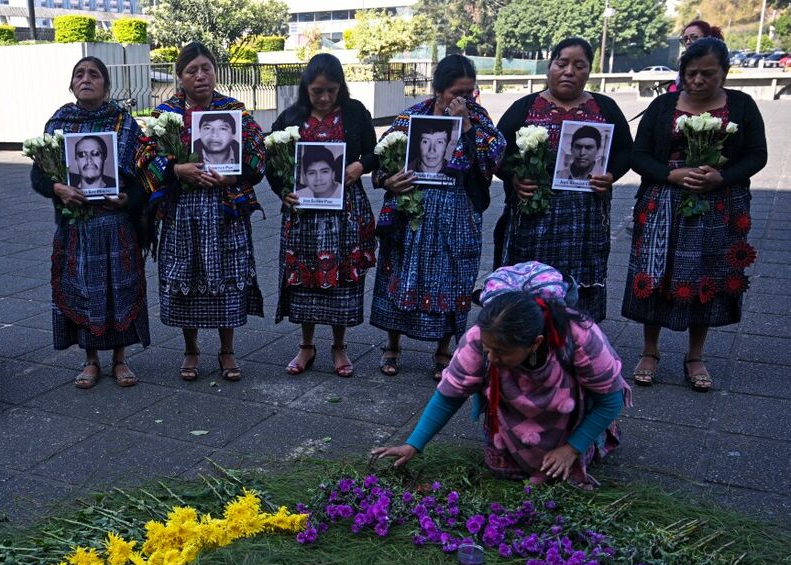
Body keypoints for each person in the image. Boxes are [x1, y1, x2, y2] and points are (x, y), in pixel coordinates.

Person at [371, 262, 630, 490]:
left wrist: (572, 447)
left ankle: (583, 441)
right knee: (505, 470)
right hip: (511, 418)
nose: (492, 358)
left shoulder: (580, 337)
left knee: (559, 474)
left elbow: (610, 400)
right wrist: (413, 444)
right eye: (488, 350)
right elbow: (449, 395)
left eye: (503, 353)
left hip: (567, 414)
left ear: (536, 342)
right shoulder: (479, 337)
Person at [622, 39, 766, 392]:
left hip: (719, 206)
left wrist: (723, 176)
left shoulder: (742, 106)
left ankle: (694, 355)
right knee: (654, 274)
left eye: (708, 73)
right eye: (691, 73)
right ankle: (650, 351)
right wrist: (670, 174)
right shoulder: (663, 106)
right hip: (663, 203)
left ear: (725, 73)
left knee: (707, 276)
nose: (698, 80)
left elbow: (756, 155)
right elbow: (637, 155)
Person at [136, 42, 265, 382]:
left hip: (225, 211)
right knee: (185, 278)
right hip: (181, 213)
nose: (200, 76)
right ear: (180, 77)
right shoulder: (164, 115)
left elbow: (257, 156)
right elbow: (143, 158)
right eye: (191, 70)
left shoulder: (235, 112)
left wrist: (233, 174)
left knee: (227, 276)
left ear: (215, 71)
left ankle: (227, 351)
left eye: (206, 68)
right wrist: (177, 170)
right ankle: (191, 350)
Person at [371, 54, 506, 381]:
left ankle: (443, 351)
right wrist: (387, 180)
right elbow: (381, 160)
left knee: (452, 277)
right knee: (399, 273)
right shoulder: (412, 117)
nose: (462, 100)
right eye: (455, 93)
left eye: (469, 93)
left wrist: (468, 125)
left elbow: (494, 159)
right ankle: (392, 346)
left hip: (456, 215)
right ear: (438, 90)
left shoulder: (476, 117)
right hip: (411, 216)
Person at [494, 37, 632, 323]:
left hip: (585, 218)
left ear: (588, 72)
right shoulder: (525, 107)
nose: (569, 71)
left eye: (579, 65)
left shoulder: (604, 107)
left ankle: (578, 348)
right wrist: (514, 176)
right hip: (534, 217)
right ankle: (526, 341)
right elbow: (496, 150)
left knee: (580, 283)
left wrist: (610, 176)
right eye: (562, 63)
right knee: (530, 282)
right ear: (549, 67)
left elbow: (626, 151)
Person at [31, 57, 148, 389]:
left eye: (94, 75)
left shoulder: (125, 124)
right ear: (71, 85)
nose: (86, 79)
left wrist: (129, 199)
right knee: (85, 290)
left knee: (118, 290)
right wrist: (58, 189)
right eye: (79, 75)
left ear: (106, 86)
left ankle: (120, 359)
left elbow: (143, 175)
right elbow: (38, 174)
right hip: (76, 228)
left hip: (116, 225)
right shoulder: (58, 124)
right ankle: (91, 360)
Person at [267, 53, 377, 378]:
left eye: (332, 90)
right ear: (306, 89)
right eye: (318, 91)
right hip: (304, 216)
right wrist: (282, 191)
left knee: (343, 278)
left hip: (345, 212)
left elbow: (375, 152)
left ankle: (340, 346)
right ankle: (306, 345)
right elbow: (270, 157)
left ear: (340, 87)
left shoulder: (355, 113)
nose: (325, 97)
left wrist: (362, 165)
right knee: (304, 279)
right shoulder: (291, 117)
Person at [668, 21, 724, 93]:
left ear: (707, 38)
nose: (688, 42)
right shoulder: (683, 61)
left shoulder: (717, 59)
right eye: (685, 39)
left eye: (694, 37)